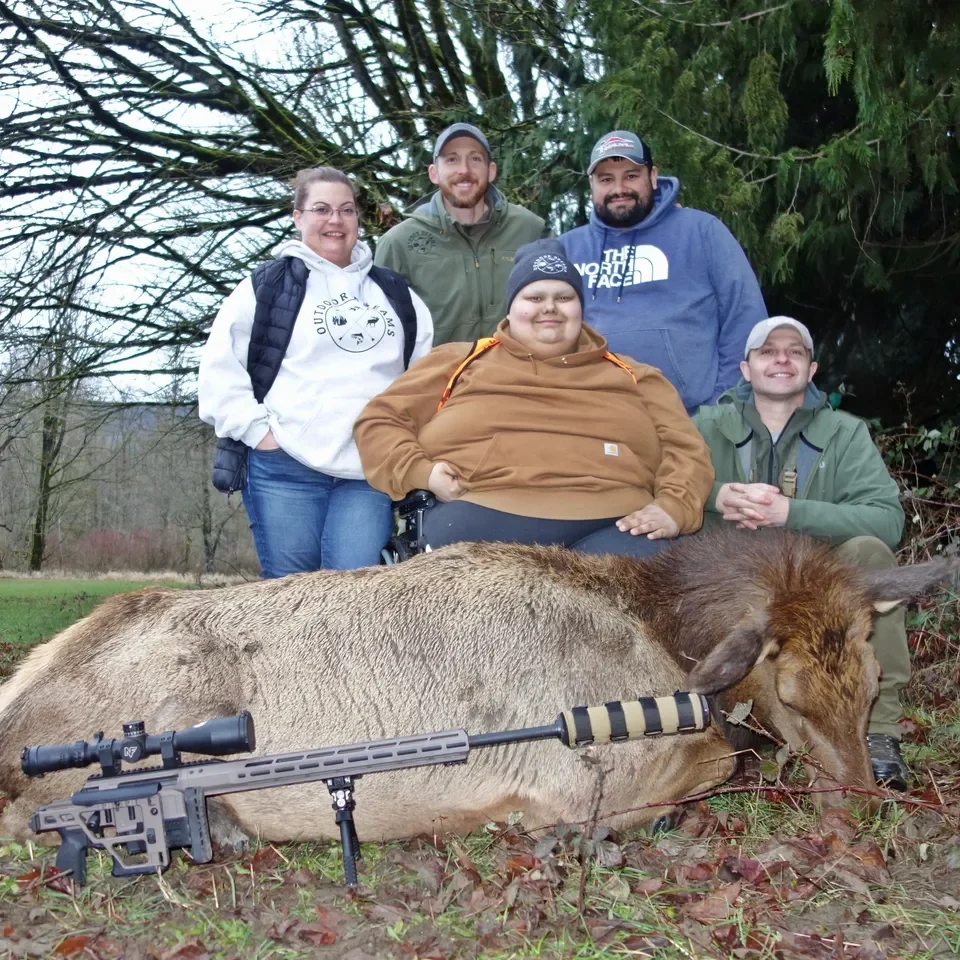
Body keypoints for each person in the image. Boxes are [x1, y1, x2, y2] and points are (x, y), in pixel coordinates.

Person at [354, 239, 714, 557]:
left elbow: (685, 449)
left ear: (580, 307)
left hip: (615, 523)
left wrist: (674, 506)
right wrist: (424, 472)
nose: (550, 308)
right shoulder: (458, 361)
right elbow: (379, 420)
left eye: (564, 297)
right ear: (511, 307)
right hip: (480, 513)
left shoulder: (637, 376)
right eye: (535, 297)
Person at [692, 316, 911, 789]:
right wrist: (714, 497)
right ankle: (681, 720)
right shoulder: (702, 426)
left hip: (806, 590)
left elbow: (886, 520)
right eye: (768, 351)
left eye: (794, 351)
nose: (781, 359)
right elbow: (649, 485)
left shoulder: (845, 434)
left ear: (811, 370)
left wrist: (791, 512)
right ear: (745, 369)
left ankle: (879, 732)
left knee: (870, 552)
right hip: (725, 584)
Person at [198, 166, 434, 577]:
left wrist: (403, 445)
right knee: (290, 601)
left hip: (367, 473)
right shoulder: (266, 287)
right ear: (298, 216)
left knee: (352, 597)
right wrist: (261, 435)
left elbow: (423, 380)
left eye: (346, 210)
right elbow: (221, 371)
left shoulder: (396, 294)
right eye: (321, 209)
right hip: (284, 468)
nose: (335, 220)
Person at [560, 130, 768, 414]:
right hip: (599, 422)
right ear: (592, 184)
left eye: (631, 176)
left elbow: (745, 317)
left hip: (695, 420)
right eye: (606, 179)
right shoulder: (567, 248)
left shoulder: (702, 231)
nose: (619, 188)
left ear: (653, 176)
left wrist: (723, 405)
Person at [373, 122, 545, 345]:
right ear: (434, 173)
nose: (464, 170)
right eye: (452, 159)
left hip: (515, 375)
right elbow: (385, 333)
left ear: (491, 170)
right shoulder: (398, 244)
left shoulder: (529, 229)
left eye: (475, 159)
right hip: (439, 376)